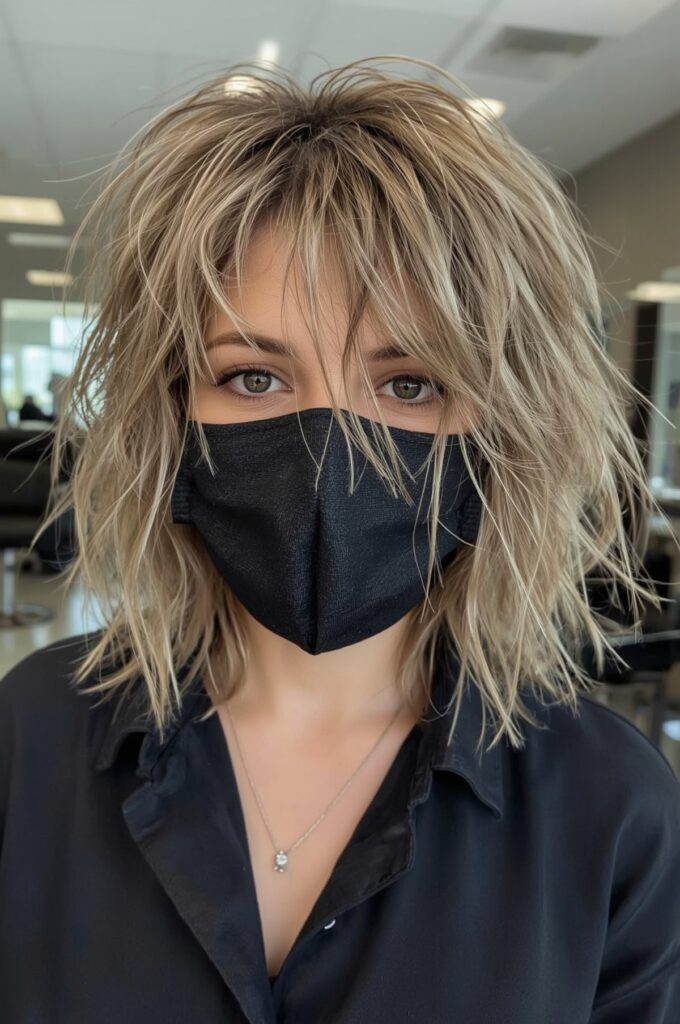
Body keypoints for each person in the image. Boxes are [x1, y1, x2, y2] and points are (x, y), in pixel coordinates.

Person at [1, 55, 679, 1023]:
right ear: (171, 418)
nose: (329, 450)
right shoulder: (33, 737)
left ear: (497, 433)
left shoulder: (612, 810)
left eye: (407, 383)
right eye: (253, 377)